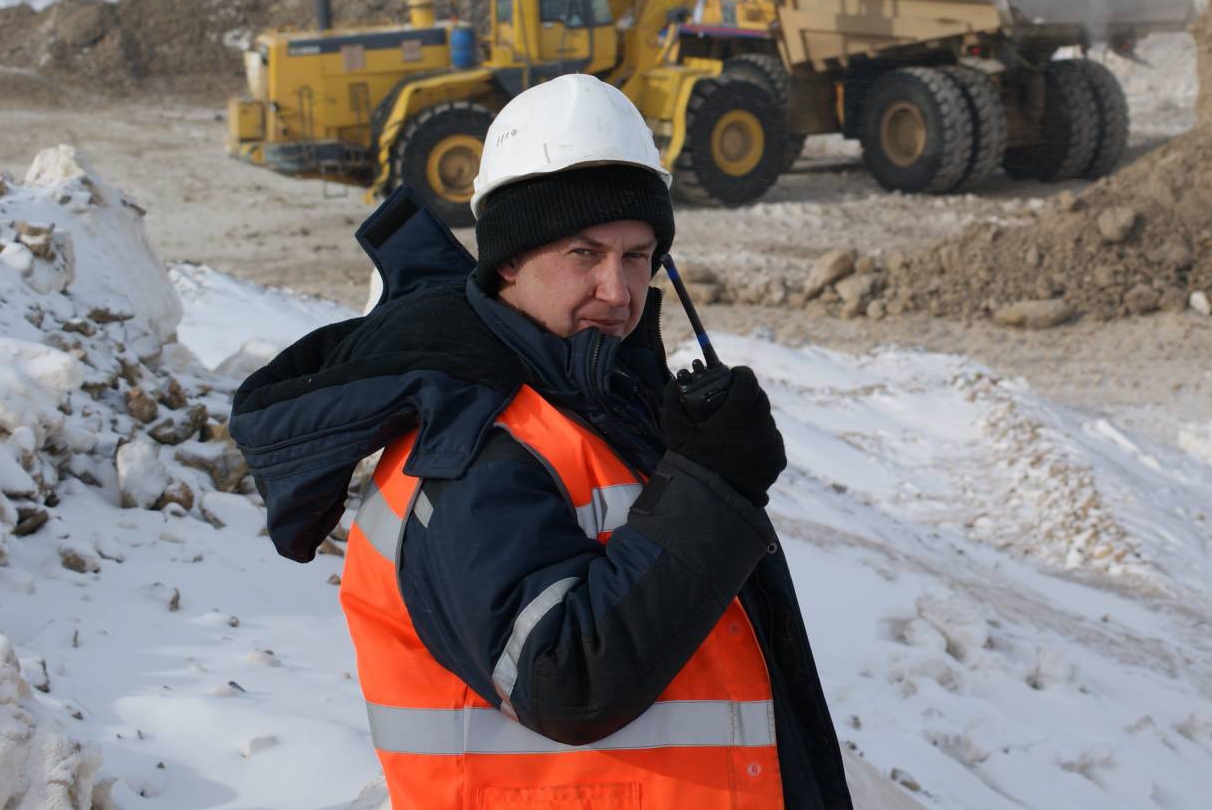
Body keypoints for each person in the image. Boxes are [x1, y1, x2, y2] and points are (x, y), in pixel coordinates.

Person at [230, 75, 852, 809]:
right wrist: (712, 488)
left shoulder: (599, 406)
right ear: (508, 262)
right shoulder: (468, 443)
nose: (618, 290)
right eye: (584, 254)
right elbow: (566, 676)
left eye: (636, 255)